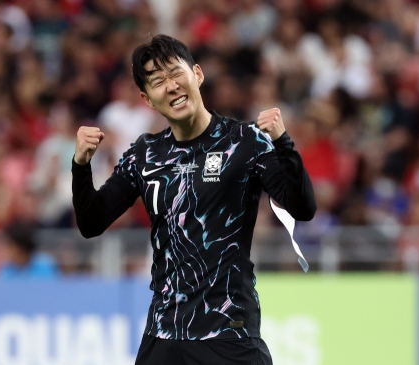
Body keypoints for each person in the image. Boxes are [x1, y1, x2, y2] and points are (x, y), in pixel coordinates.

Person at [71, 35, 316, 365]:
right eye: (158, 82)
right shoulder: (144, 155)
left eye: (175, 73)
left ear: (197, 74)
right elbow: (91, 223)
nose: (170, 86)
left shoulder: (245, 142)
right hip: (163, 336)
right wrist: (81, 166)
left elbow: (303, 206)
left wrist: (283, 143)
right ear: (146, 99)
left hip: (229, 333)